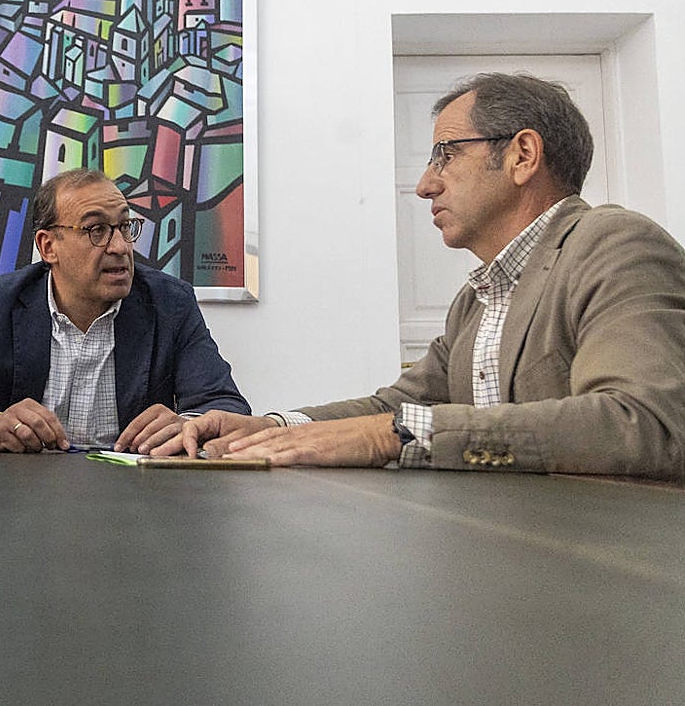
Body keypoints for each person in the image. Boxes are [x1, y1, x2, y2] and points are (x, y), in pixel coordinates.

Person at [162, 73, 685, 481]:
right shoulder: (476, 299)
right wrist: (270, 427)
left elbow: (645, 425)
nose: (424, 185)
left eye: (445, 155)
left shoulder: (615, 245)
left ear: (522, 156)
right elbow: (399, 407)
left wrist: (389, 436)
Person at [0, 167, 250, 452]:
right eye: (96, 230)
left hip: (137, 493)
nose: (120, 247)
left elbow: (226, 406)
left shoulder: (170, 303)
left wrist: (186, 424)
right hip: (21, 493)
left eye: (125, 227)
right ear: (48, 246)